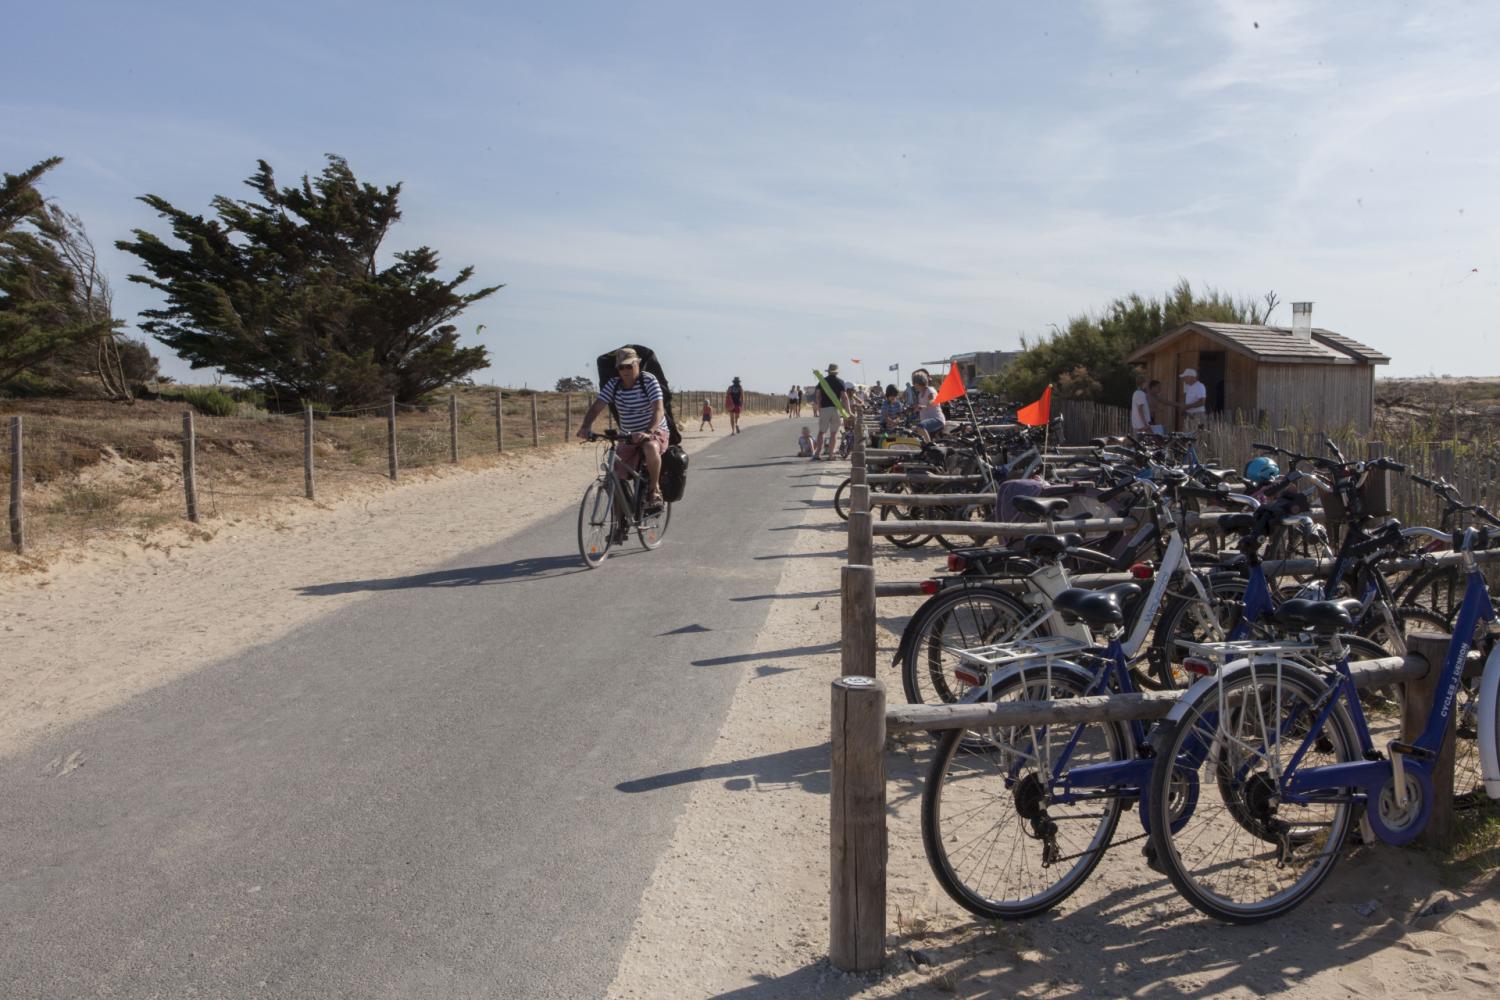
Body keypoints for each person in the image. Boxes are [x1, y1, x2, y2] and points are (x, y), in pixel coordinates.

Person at [576, 347, 669, 514]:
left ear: (638, 364)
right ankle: (619, 523)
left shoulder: (648, 381)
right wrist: (586, 426)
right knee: (615, 474)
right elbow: (597, 407)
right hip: (628, 435)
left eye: (629, 366)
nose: (625, 371)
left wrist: (648, 431)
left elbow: (658, 409)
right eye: (621, 367)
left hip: (654, 430)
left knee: (650, 447)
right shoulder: (614, 384)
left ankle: (654, 490)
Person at [811, 363, 850, 461]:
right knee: (834, 433)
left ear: (828, 371)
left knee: (821, 432)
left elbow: (818, 395)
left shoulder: (822, 381)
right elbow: (845, 398)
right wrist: (848, 411)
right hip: (836, 409)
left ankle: (817, 454)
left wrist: (819, 407)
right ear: (836, 372)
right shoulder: (840, 382)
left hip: (824, 408)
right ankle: (831, 455)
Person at [910, 370, 945, 444]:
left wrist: (924, 406)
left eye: (915, 384)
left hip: (936, 419)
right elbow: (920, 407)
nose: (914, 386)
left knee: (920, 427)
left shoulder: (930, 390)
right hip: (927, 422)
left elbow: (932, 400)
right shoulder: (920, 394)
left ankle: (928, 448)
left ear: (919, 383)